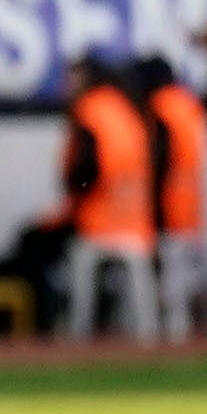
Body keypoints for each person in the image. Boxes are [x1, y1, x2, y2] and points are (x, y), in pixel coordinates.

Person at [59, 53, 157, 344]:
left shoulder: (90, 110)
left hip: (100, 222)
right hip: (136, 222)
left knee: (77, 266)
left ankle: (78, 338)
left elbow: (85, 168)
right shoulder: (128, 108)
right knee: (138, 288)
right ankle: (149, 340)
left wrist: (74, 192)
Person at [138, 56, 207, 342]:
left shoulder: (162, 106)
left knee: (172, 291)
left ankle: (173, 347)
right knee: (186, 287)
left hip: (171, 207)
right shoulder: (188, 104)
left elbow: (161, 159)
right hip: (193, 205)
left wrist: (151, 204)